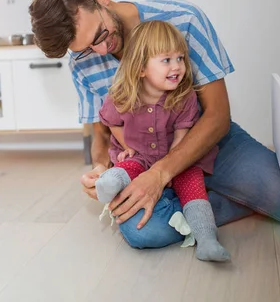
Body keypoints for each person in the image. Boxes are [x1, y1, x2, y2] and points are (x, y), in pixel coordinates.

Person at [29, 0, 280, 249]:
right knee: (144, 233)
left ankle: (204, 196)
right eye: (86, 49)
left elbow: (217, 117)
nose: (102, 51)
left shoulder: (183, 19)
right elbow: (102, 135)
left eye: (101, 35)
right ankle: (220, 197)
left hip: (206, 143)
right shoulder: (81, 63)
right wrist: (99, 169)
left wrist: (161, 174)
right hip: (141, 160)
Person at [96, 20, 230, 262]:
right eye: (166, 60)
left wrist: (170, 171)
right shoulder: (122, 95)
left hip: (174, 157)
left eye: (180, 58)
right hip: (139, 156)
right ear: (140, 69)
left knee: (192, 183)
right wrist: (127, 146)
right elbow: (111, 121)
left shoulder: (184, 97)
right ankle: (109, 185)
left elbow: (181, 140)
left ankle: (207, 240)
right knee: (127, 166)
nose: (177, 66)